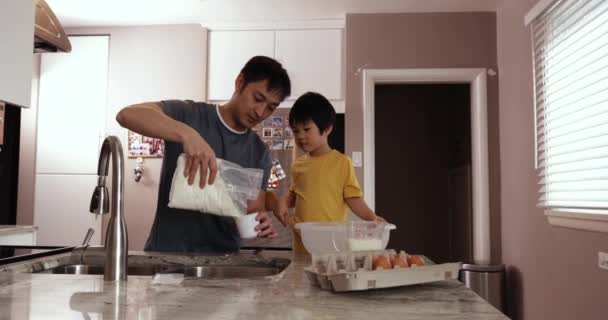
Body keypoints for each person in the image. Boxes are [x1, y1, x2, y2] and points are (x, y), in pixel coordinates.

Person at [116, 56, 291, 253]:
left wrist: (261, 219)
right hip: (168, 258)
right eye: (257, 99)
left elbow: (250, 206)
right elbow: (127, 115)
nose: (260, 112)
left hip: (223, 264)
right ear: (240, 83)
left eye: (270, 107)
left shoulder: (260, 152)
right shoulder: (190, 114)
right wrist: (186, 134)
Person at [274, 92, 385, 253]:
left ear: (327, 129)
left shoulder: (342, 163)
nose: (301, 136)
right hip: (301, 244)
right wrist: (282, 202)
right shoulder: (298, 165)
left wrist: (371, 217)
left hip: (331, 243)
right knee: (302, 277)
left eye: (306, 129)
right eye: (296, 131)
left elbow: (353, 198)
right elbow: (294, 195)